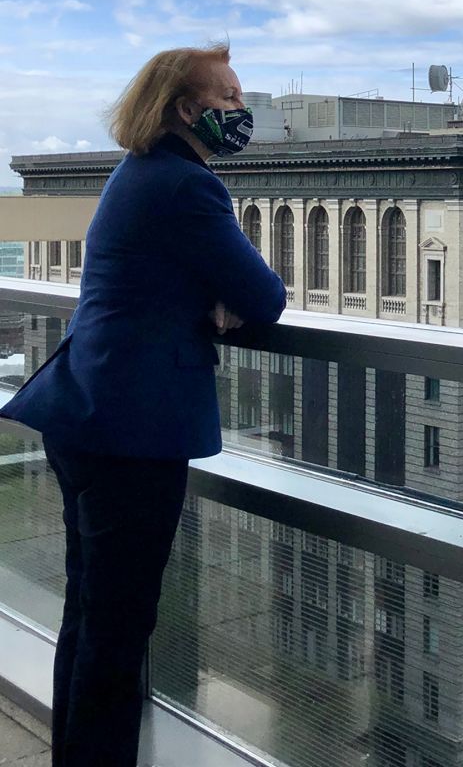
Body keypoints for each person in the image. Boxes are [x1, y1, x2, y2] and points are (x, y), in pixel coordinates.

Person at [0, 42, 286, 767]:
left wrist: (202, 296)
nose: (240, 111)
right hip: (128, 430)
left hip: (87, 411)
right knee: (119, 627)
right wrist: (221, 300)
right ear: (187, 110)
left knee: (92, 616)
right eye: (227, 99)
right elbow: (265, 299)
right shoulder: (188, 187)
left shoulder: (139, 174)